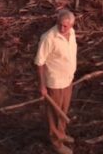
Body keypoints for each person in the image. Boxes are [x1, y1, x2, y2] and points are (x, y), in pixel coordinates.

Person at [34, 9, 77, 154]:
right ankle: (56, 143)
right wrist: (42, 85)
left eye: (66, 26)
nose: (62, 28)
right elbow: (39, 62)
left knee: (63, 110)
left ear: (71, 25)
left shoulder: (72, 33)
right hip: (54, 82)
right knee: (54, 113)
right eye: (60, 25)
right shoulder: (48, 38)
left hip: (68, 80)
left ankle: (62, 134)